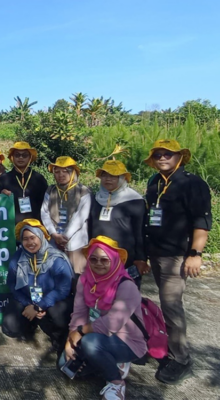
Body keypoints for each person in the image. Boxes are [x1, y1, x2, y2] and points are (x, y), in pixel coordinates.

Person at [143, 139, 211, 384]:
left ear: (179, 156)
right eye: (158, 154)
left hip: (176, 255)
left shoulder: (192, 183)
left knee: (171, 306)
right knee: (162, 302)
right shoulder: (154, 182)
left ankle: (181, 358)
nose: (162, 158)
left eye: (168, 154)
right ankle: (165, 347)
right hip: (155, 253)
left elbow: (201, 221)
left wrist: (195, 254)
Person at [60, 236, 146, 400]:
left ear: (114, 260)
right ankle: (111, 361)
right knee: (67, 366)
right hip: (96, 334)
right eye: (93, 259)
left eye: (104, 260)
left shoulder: (126, 285)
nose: (98, 263)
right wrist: (70, 339)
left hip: (126, 341)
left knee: (89, 344)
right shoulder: (85, 279)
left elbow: (112, 323)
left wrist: (79, 332)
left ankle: (116, 382)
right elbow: (79, 312)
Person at [2, 219, 73, 349]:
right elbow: (12, 283)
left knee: (60, 314)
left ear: (41, 237)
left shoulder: (57, 259)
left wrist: (40, 306)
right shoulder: (18, 257)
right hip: (28, 299)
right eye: (25, 239)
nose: (29, 242)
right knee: (10, 327)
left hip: (51, 301)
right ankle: (33, 322)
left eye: (33, 238)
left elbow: (63, 289)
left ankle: (56, 335)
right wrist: (28, 304)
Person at [88, 160, 147, 287]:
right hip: (98, 258)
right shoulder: (96, 198)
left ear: (122, 178)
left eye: (113, 176)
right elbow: (89, 227)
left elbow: (140, 231)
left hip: (126, 258)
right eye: (104, 175)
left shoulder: (134, 201)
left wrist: (141, 258)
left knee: (124, 294)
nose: (107, 179)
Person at [40, 156, 92, 274]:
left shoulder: (83, 191)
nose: (60, 175)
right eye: (57, 171)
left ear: (73, 172)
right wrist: (54, 234)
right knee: (56, 273)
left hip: (76, 242)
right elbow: (44, 212)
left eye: (65, 171)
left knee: (77, 275)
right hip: (54, 240)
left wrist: (65, 237)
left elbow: (81, 216)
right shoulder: (51, 190)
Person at [0, 142, 49, 223]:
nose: (20, 158)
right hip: (10, 226)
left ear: (30, 158)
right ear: (12, 157)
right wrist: (1, 195)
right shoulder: (3, 179)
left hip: (35, 226)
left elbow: (46, 205)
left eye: (24, 155)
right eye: (17, 155)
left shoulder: (39, 178)